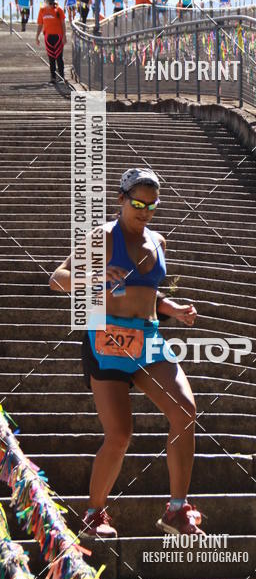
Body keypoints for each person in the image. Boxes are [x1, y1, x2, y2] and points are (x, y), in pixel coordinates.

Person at [49, 168, 203, 539]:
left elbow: (146, 294)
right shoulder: (102, 237)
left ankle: (177, 510)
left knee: (185, 410)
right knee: (120, 434)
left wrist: (172, 308)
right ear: (121, 199)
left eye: (152, 205)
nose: (145, 211)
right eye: (137, 203)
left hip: (148, 339)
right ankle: (94, 513)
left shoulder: (158, 242)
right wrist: (97, 275)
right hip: (107, 341)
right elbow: (57, 279)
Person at [36, 0, 66, 82]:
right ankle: (53, 77)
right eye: (51, 3)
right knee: (51, 57)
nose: (53, 5)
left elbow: (63, 23)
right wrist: (37, 36)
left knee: (59, 57)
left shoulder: (59, 10)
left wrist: (64, 36)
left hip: (58, 36)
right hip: (48, 36)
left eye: (54, 3)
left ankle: (61, 77)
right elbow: (40, 24)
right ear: (46, 2)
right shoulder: (42, 11)